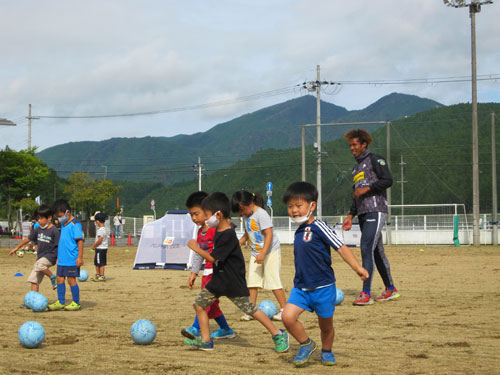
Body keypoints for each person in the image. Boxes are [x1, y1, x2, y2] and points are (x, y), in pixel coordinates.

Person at [184, 192, 289, 352]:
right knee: (199, 304)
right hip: (219, 281)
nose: (206, 219)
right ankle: (206, 340)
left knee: (250, 309)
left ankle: (278, 333)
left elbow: (212, 259)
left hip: (232, 282)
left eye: (207, 215)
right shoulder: (219, 231)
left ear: (218, 215)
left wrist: (195, 248)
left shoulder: (228, 234)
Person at [281, 181, 369, 366]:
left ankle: (327, 351)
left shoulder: (320, 227)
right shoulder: (298, 231)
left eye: (298, 205)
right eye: (290, 207)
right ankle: (306, 344)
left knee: (325, 326)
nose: (294, 210)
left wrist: (357, 268)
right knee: (287, 317)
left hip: (323, 288)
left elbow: (341, 248)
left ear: (312, 206)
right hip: (301, 288)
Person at [342, 128, 400, 306]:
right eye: (350, 145)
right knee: (376, 251)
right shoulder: (355, 169)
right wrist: (351, 215)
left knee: (366, 246)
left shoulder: (375, 159)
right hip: (363, 214)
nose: (352, 148)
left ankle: (365, 293)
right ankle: (390, 289)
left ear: (364, 144)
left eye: (354, 145)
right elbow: (356, 194)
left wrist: (368, 188)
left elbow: (387, 180)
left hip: (376, 210)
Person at [180, 191, 235, 341]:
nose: (194, 218)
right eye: (191, 215)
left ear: (207, 212)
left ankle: (196, 328)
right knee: (213, 304)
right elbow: (199, 254)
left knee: (204, 302)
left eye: (197, 214)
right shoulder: (199, 232)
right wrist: (194, 273)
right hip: (207, 273)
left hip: (216, 273)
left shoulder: (214, 230)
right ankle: (225, 329)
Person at [231, 190, 286, 321]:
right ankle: (251, 310)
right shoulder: (246, 217)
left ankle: (284, 309)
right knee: (252, 282)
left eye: (242, 210)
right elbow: (247, 233)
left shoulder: (261, 214)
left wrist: (263, 253)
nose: (241, 214)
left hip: (270, 251)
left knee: (273, 281)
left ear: (250, 203)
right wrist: (236, 245)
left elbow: (269, 234)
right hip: (256, 252)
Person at [10, 204, 59, 293]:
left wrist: (59, 258)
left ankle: (52, 277)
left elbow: (59, 245)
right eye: (37, 218)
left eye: (41, 218)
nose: (39, 221)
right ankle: (33, 298)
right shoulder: (37, 229)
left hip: (51, 257)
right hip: (40, 257)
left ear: (49, 218)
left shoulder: (54, 230)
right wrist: (17, 247)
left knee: (39, 265)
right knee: (34, 280)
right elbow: (28, 239)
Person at [48, 199, 84, 311]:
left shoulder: (75, 224)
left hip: (72, 258)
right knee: (59, 279)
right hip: (62, 258)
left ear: (67, 213)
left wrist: (80, 257)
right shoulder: (64, 224)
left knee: (71, 280)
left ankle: (76, 302)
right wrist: (59, 257)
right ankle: (60, 302)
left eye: (60, 216)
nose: (59, 218)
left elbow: (80, 241)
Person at [91, 212, 108, 282]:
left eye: (95, 221)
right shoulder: (104, 229)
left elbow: (100, 240)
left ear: (97, 221)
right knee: (97, 262)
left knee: (100, 263)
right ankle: (98, 275)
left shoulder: (100, 230)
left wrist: (94, 245)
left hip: (100, 248)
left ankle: (101, 275)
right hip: (103, 248)